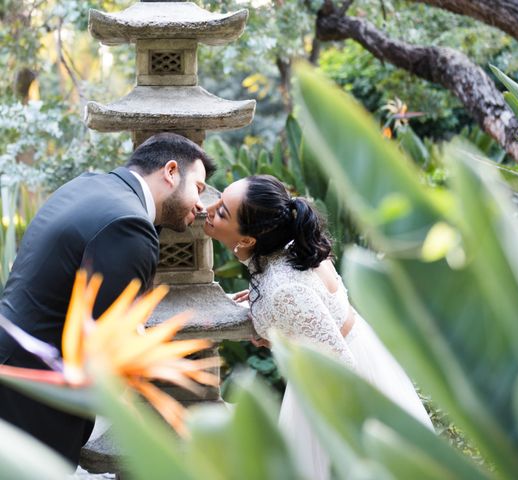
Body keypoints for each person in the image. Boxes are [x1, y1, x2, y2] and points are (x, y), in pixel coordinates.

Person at [0, 132, 215, 466]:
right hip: (35, 396)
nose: (200, 205)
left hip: (13, 363)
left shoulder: (86, 186)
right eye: (198, 189)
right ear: (170, 171)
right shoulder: (129, 225)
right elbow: (109, 343)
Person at [204, 174, 433, 479]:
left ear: (247, 239)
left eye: (222, 211)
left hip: (336, 385)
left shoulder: (285, 287)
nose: (209, 208)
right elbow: (314, 317)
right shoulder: (286, 248)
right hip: (346, 351)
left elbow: (342, 370)